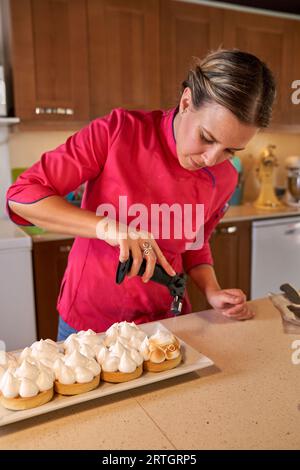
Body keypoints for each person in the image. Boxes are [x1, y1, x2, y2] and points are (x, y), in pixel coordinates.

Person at [6, 49, 276, 340]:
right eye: (207, 138)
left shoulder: (224, 177)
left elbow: (195, 243)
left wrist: (212, 291)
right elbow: (21, 196)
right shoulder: (117, 132)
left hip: (165, 324)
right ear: (186, 102)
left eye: (230, 150)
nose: (211, 159)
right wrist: (106, 227)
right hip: (89, 325)